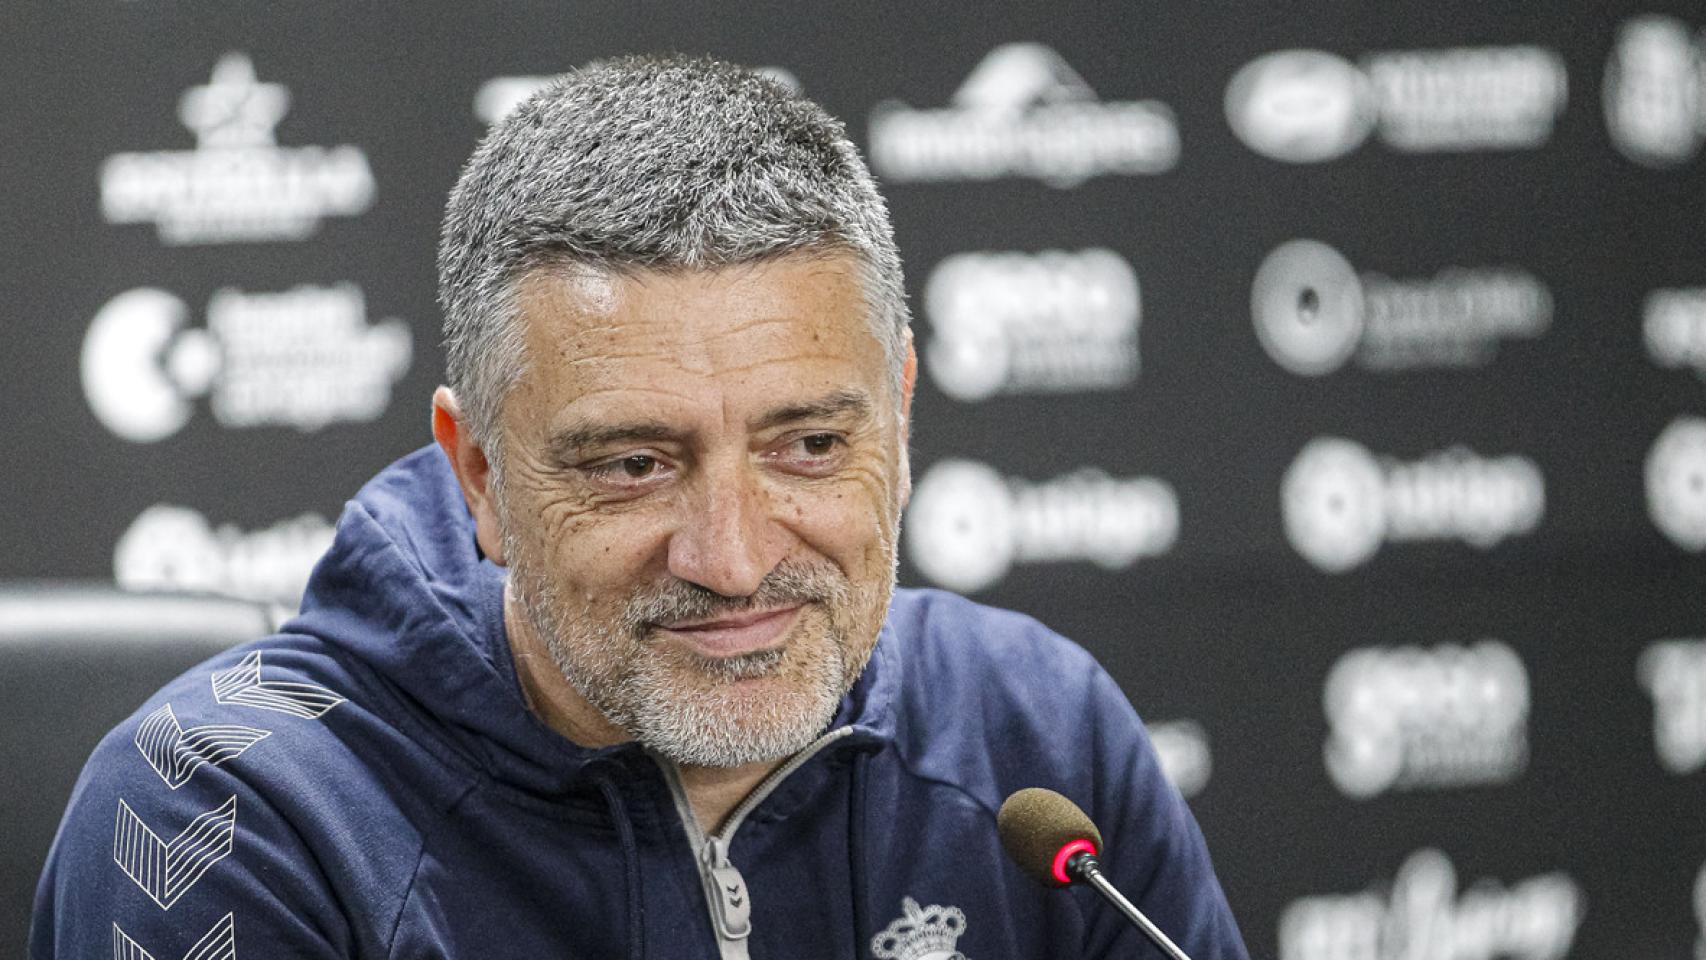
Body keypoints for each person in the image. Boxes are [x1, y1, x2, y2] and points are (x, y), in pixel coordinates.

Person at [33, 55, 1248, 960]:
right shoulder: (233, 813)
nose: (733, 558)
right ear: (480, 475)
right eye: (631, 466)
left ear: (899, 415)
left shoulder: (1027, 729)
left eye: (809, 446)